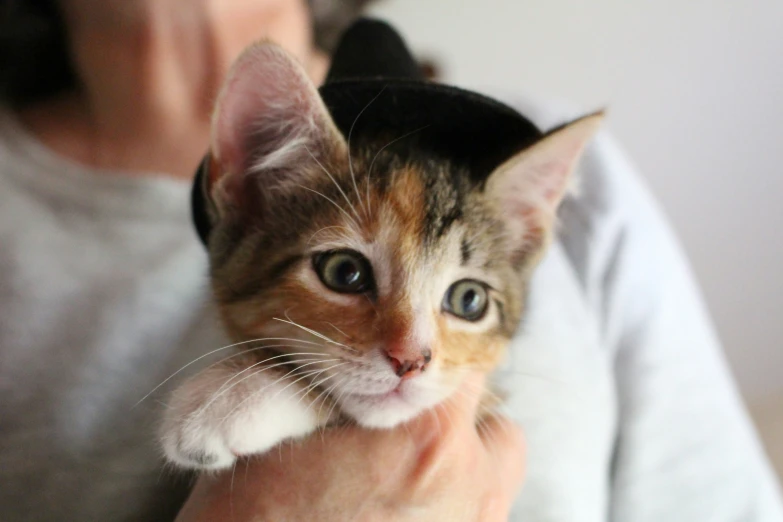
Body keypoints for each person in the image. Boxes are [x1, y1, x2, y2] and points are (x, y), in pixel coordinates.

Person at [0, 1, 780, 521]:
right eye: (346, 273)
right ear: (246, 179)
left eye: (465, 301)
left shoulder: (531, 150)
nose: (410, 352)